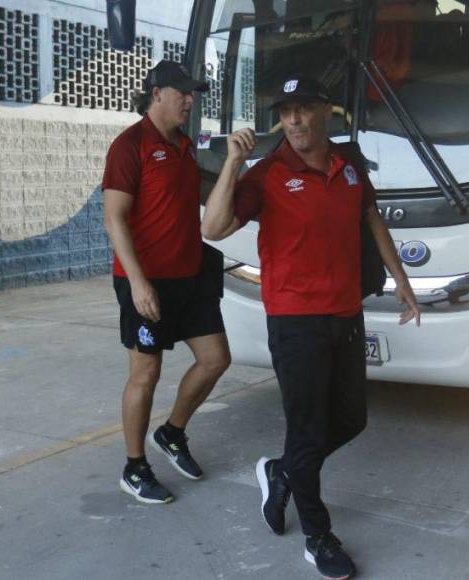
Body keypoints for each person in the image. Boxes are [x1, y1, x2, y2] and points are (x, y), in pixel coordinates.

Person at [201, 76, 421, 579]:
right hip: (294, 320)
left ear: (326, 111)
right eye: (286, 112)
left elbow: (372, 219)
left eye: (304, 109)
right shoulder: (268, 173)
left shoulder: (348, 166)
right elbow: (212, 229)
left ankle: (281, 472)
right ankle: (317, 535)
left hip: (345, 315)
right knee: (307, 429)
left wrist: (401, 280)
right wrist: (234, 162)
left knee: (351, 419)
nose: (295, 120)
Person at [102, 60, 231, 505]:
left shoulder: (184, 146)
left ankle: (172, 432)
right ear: (157, 92)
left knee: (215, 359)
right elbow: (113, 218)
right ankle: (134, 467)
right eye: (183, 93)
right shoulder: (129, 145)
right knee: (147, 372)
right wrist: (138, 283)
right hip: (147, 280)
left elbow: (201, 200)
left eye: (193, 94)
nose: (190, 101)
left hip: (190, 276)